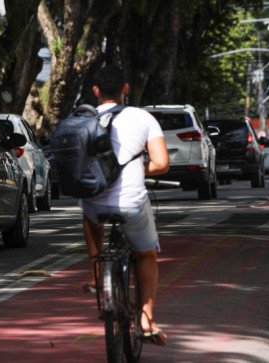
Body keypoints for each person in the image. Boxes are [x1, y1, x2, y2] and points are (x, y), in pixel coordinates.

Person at [81, 66, 170, 345]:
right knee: (145, 255)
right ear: (126, 89)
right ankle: (146, 318)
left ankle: (96, 268)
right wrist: (137, 169)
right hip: (132, 203)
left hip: (93, 202)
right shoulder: (143, 117)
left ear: (95, 91)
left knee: (89, 212)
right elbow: (162, 163)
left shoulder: (81, 120)